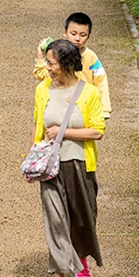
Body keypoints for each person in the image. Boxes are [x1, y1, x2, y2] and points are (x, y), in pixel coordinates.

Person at [31, 39, 105, 277]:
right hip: (50, 167)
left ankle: (80, 256)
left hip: (79, 164)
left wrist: (63, 133)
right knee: (55, 221)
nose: (47, 67)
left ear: (64, 64)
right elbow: (38, 122)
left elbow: (97, 130)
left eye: (50, 63)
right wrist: (33, 156)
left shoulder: (88, 93)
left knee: (81, 216)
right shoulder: (43, 90)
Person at [34, 12, 112, 178]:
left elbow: (101, 82)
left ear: (89, 36)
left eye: (82, 35)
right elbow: (44, 75)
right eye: (73, 34)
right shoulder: (55, 55)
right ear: (65, 32)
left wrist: (104, 110)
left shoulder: (91, 58)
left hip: (83, 105)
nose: (77, 39)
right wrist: (41, 58)